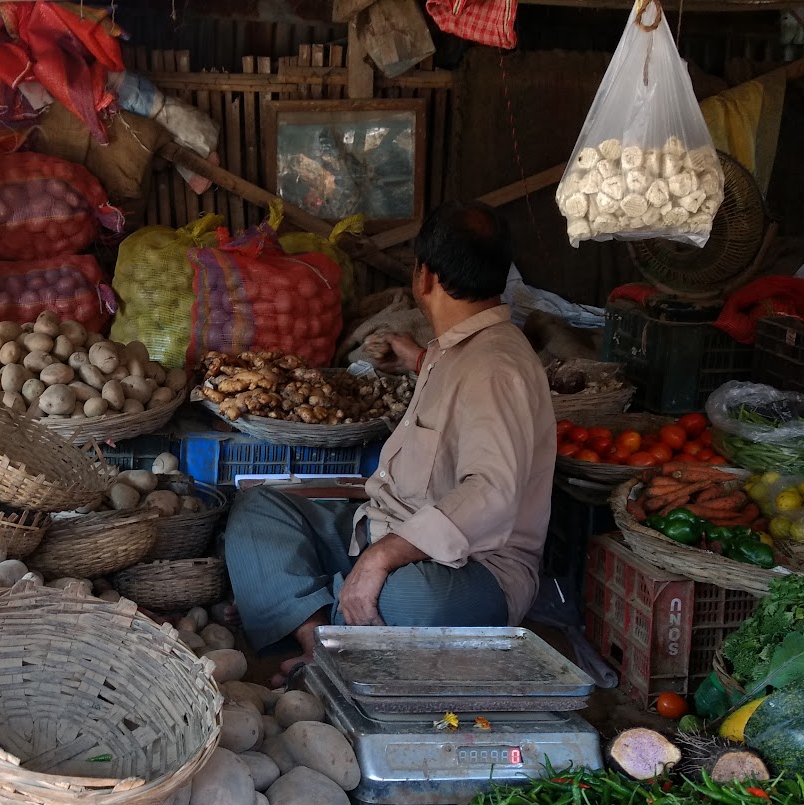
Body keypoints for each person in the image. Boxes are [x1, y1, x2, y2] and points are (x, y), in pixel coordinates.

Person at [222, 201, 556, 679]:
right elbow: (459, 396)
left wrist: (382, 557)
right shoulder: (457, 352)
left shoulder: (496, 366)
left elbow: (492, 493)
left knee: (415, 600)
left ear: (425, 277)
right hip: (386, 527)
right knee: (260, 510)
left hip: (473, 571)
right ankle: (319, 636)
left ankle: (302, 608)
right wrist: (417, 360)